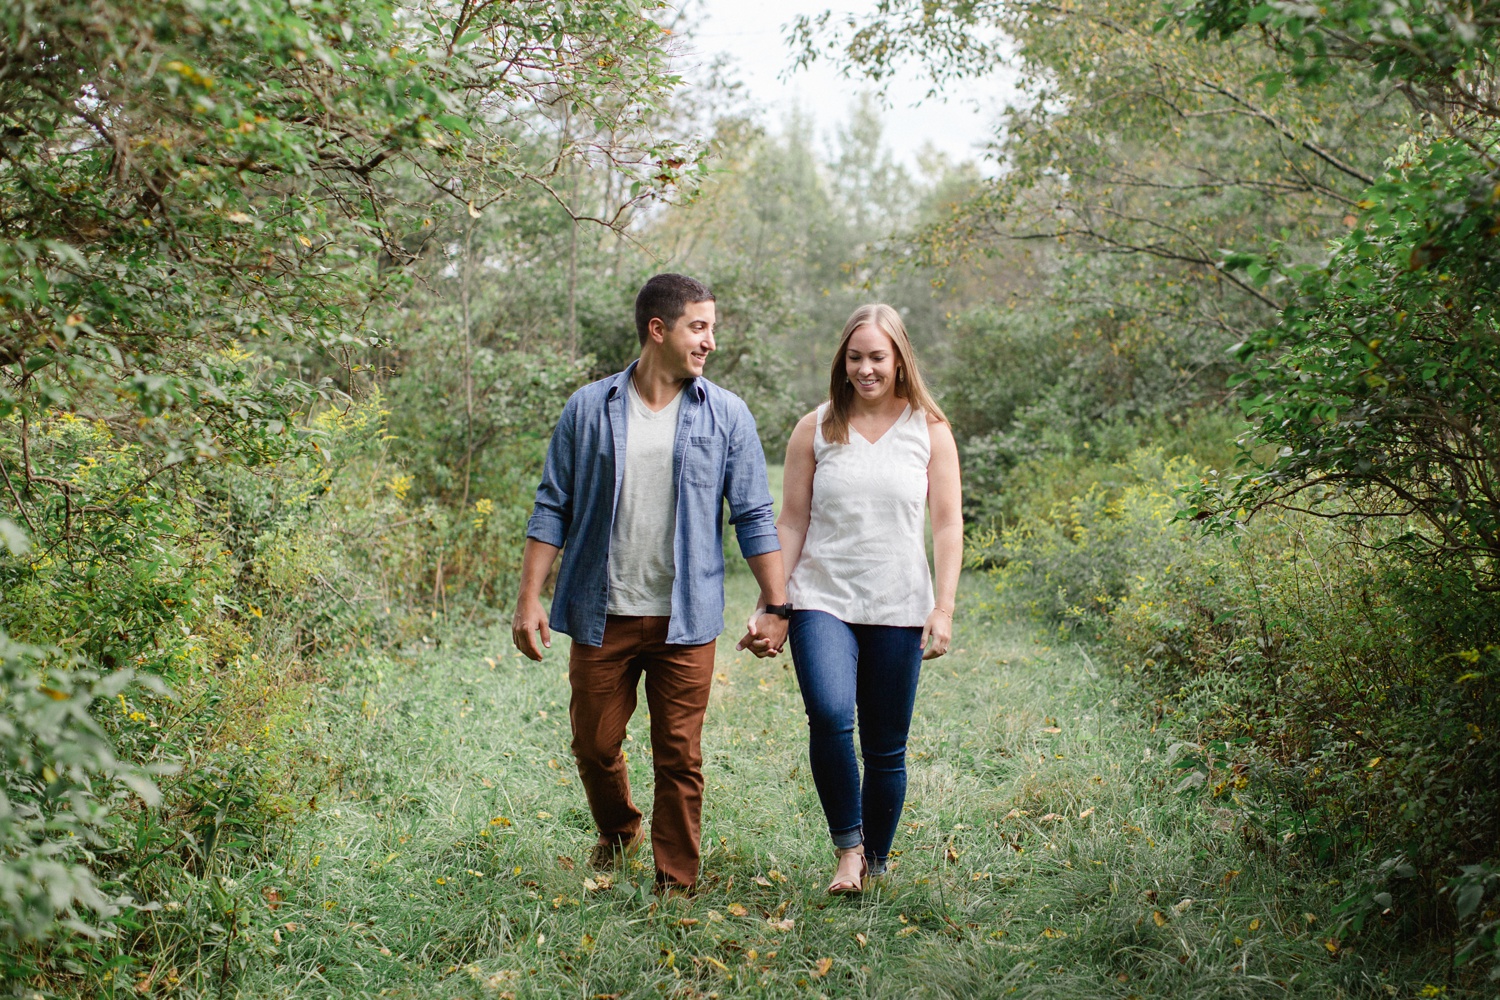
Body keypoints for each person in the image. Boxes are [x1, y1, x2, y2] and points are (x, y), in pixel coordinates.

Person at [511, 273, 790, 893]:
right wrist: (530, 596)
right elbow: (552, 504)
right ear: (658, 330)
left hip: (685, 617)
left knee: (679, 755)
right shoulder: (590, 408)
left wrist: (779, 603)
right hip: (601, 610)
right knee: (593, 744)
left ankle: (676, 881)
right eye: (699, 326)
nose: (710, 341)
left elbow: (752, 514)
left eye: (712, 327)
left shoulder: (727, 415)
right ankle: (618, 831)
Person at [774, 303, 962, 895]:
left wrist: (944, 607)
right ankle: (849, 850)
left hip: (899, 604)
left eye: (877, 357)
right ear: (842, 360)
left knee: (885, 747)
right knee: (830, 715)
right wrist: (776, 602)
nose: (865, 369)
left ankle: (877, 859)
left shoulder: (929, 429)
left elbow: (948, 523)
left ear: (900, 358)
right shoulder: (817, 427)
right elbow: (791, 522)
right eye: (855, 357)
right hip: (822, 597)